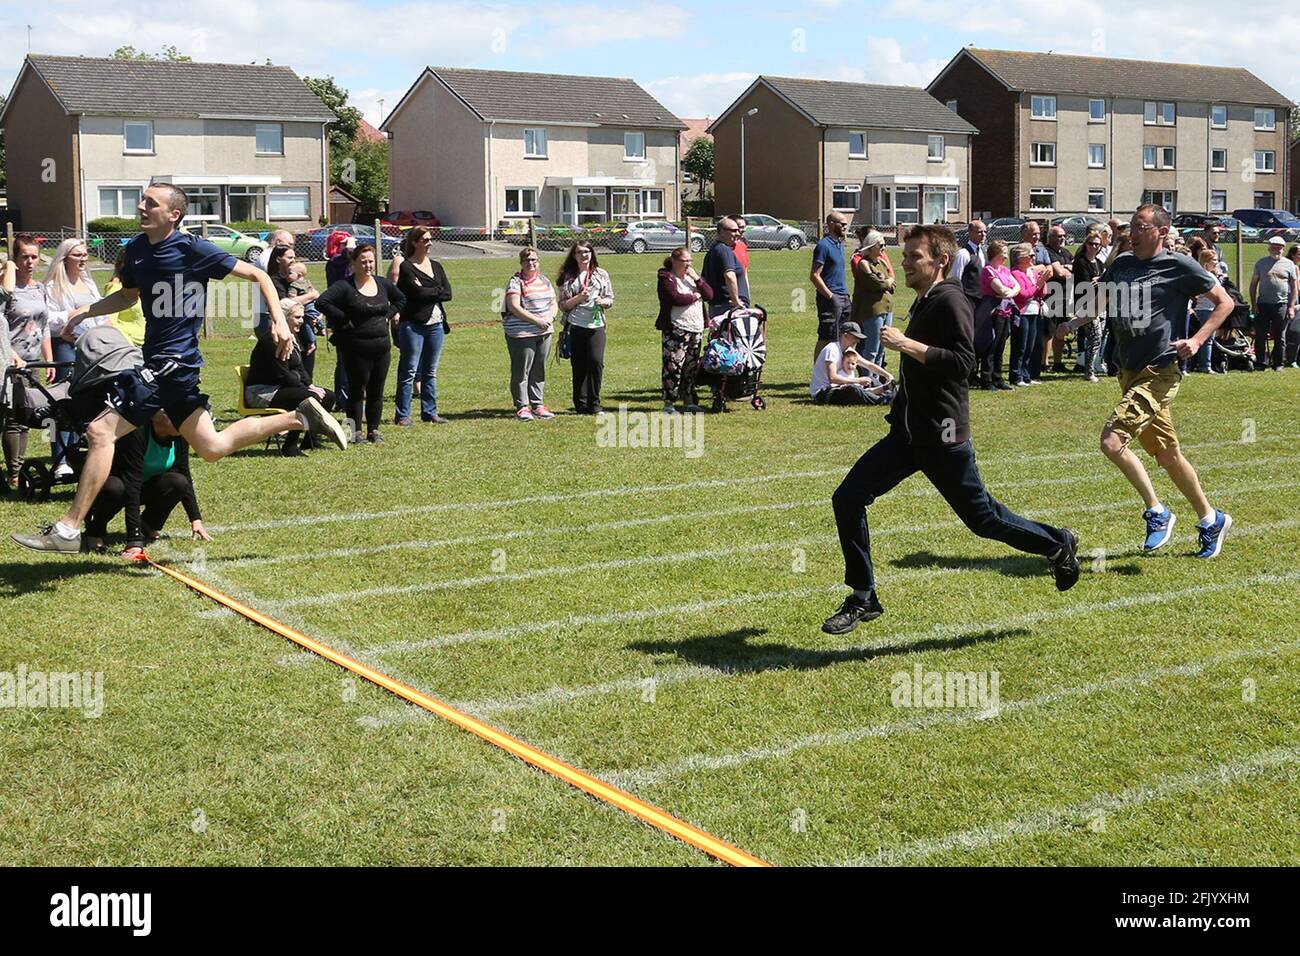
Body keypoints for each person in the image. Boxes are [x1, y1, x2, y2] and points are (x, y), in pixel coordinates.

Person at [12, 184, 347, 555]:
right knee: (213, 446)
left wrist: (279, 323)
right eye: (142, 200)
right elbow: (128, 296)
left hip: (173, 363)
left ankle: (69, 529)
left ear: (173, 215)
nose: (140, 206)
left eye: (150, 203)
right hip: (162, 362)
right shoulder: (137, 250)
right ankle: (298, 419)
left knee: (100, 430)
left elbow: (261, 276)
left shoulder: (194, 249)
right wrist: (88, 311)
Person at [822, 224, 1079, 634]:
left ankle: (1056, 543)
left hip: (943, 439)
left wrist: (907, 345)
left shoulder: (950, 299)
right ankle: (863, 596)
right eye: (904, 257)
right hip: (907, 436)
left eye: (913, 258)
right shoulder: (925, 300)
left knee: (985, 520)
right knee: (848, 498)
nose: (904, 264)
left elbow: (963, 363)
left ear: (940, 260)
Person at [1098, 203, 1234, 560]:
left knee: (1112, 442)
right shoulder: (1122, 264)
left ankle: (1157, 511)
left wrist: (1198, 340)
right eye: (1132, 226)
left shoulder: (1179, 265)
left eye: (1142, 227)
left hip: (1160, 370)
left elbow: (1224, 302)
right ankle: (1211, 518)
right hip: (1127, 370)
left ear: (1161, 231)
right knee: (1168, 455)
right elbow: (1100, 299)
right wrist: (1072, 322)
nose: (1134, 232)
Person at [82, 411, 210, 557]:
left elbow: (184, 473)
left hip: (144, 485)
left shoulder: (179, 436)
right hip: (119, 485)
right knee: (114, 488)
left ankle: (147, 524)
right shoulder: (137, 432)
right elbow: (132, 485)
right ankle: (95, 530)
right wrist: (134, 541)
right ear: (164, 419)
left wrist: (195, 519)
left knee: (178, 482)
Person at [315, 243, 404, 444]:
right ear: (354, 263)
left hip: (381, 347)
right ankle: (354, 432)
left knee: (376, 390)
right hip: (355, 348)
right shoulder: (345, 286)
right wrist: (344, 319)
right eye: (362, 261)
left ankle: (374, 430)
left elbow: (400, 300)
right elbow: (322, 302)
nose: (367, 265)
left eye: (370, 261)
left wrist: (388, 316)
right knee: (357, 390)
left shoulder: (382, 284)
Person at [246, 299, 336, 457]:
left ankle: (310, 440)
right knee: (309, 398)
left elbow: (299, 369)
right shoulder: (272, 340)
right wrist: (305, 388)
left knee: (328, 395)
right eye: (297, 317)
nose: (301, 321)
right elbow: (283, 375)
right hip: (263, 392)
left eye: (302, 317)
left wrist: (310, 385)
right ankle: (289, 447)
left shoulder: (291, 338)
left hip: (282, 388)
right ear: (284, 317)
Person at [44, 238, 103, 477]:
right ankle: (60, 459)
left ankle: (76, 453)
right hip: (65, 345)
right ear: (65, 257)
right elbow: (46, 319)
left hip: (90, 347)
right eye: (77, 255)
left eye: (85, 254)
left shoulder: (88, 283)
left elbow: (100, 311)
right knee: (62, 402)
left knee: (84, 400)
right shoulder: (52, 286)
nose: (83, 259)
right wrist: (70, 315)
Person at [2, 237, 55, 491]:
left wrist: (49, 359)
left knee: (26, 416)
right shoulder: (7, 290)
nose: (31, 262)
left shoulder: (39, 289)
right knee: (14, 418)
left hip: (33, 361)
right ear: (15, 259)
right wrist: (12, 354)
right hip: (10, 363)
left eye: (34, 257)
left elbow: (43, 328)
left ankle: (17, 469)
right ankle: (14, 474)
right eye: (25, 257)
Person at [393, 226, 452, 425]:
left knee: (430, 371)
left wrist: (425, 289)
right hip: (413, 325)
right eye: (425, 240)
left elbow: (447, 294)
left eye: (430, 239)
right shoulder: (406, 267)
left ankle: (430, 412)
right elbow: (414, 295)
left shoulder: (436, 266)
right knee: (409, 371)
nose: (429, 243)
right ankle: (403, 415)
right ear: (415, 242)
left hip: (436, 324)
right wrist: (434, 290)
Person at [557, 240, 614, 415]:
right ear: (574, 255)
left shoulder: (601, 274)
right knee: (579, 365)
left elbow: (610, 298)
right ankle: (581, 404)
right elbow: (563, 305)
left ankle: (595, 403)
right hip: (575, 325)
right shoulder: (568, 276)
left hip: (596, 325)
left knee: (596, 362)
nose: (584, 255)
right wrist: (579, 298)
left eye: (587, 252)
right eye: (580, 252)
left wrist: (603, 302)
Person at [502, 247, 557, 421]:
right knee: (522, 371)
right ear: (521, 263)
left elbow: (553, 302)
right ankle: (522, 406)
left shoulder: (544, 280)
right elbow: (514, 307)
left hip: (544, 332)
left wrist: (550, 317)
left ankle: (538, 404)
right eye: (527, 261)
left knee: (538, 369)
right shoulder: (515, 282)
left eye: (534, 260)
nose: (531, 263)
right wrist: (537, 321)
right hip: (522, 333)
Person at [656, 246, 712, 414]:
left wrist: (697, 279)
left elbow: (709, 295)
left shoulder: (692, 278)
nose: (688, 264)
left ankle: (688, 400)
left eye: (690, 261)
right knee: (673, 366)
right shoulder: (667, 278)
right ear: (674, 261)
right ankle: (669, 403)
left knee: (691, 367)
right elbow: (675, 298)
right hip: (676, 328)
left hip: (696, 327)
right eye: (684, 261)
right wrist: (694, 296)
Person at [1058, 229, 1106, 382]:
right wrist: (1099, 280)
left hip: (1097, 303)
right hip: (1084, 303)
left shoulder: (1098, 263)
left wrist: (1098, 280)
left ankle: (1090, 368)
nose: (1094, 247)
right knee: (1095, 337)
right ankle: (1088, 371)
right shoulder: (1081, 261)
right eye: (1091, 244)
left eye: (1097, 244)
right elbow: (1087, 284)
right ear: (1086, 245)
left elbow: (1101, 282)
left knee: (1096, 338)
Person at [810, 322, 891, 405]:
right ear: (845, 335)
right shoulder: (832, 350)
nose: (858, 341)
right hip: (823, 393)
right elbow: (833, 378)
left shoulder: (849, 350)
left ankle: (889, 393)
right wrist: (858, 381)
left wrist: (887, 375)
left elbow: (868, 365)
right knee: (853, 390)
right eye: (855, 337)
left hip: (839, 387)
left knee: (871, 380)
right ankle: (881, 400)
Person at [1248, 236, 1298, 371]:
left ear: (1283, 248)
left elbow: (1294, 287)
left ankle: (1278, 364)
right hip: (1263, 304)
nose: (1276, 249)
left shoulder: (1289, 264)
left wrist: (1291, 307)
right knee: (1260, 335)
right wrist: (1254, 304)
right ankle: (1260, 363)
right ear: (1269, 247)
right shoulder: (1261, 263)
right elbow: (1253, 285)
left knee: (1280, 336)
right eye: (1274, 246)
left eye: (1279, 246)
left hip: (1281, 305)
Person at [975, 239, 1019, 391]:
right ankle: (986, 380)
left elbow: (1016, 287)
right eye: (1004, 253)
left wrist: (1010, 293)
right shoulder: (988, 270)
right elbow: (1000, 290)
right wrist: (1008, 292)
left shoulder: (1004, 270)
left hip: (1006, 312)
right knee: (991, 346)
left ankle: (998, 378)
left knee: (1001, 346)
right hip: (993, 312)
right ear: (996, 253)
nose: (1006, 257)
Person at [850, 228, 894, 367]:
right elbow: (875, 284)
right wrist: (886, 281)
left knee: (882, 349)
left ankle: (878, 384)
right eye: (880, 245)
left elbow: (893, 286)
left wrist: (886, 282)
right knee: (872, 350)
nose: (884, 248)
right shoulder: (863, 263)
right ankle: (868, 383)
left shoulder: (882, 262)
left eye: (884, 244)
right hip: (874, 311)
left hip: (887, 309)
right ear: (871, 246)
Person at [1007, 243, 1048, 387]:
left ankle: (1026, 374)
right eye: (1030, 255)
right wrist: (1038, 284)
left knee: (1030, 345)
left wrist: (1042, 282)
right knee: (1020, 346)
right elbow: (1023, 295)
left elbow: (1042, 293)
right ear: (1021, 258)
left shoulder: (1032, 272)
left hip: (1034, 311)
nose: (1033, 258)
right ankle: (1016, 375)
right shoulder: (1015, 273)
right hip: (1022, 312)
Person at [811, 212, 851, 362]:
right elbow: (814, 275)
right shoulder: (823, 246)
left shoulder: (839, 244)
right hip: (830, 298)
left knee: (844, 335)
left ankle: (837, 368)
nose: (845, 227)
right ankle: (818, 372)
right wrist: (830, 296)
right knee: (826, 336)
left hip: (844, 296)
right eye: (842, 224)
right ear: (832, 224)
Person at [1039, 225, 1073, 375]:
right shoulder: (1047, 251)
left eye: (1063, 235)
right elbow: (1059, 273)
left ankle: (1057, 362)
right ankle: (1044, 363)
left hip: (1065, 296)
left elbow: (1075, 268)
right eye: (1058, 236)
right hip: (1051, 296)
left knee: (1061, 330)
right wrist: (1067, 269)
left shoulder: (1065, 252)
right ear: (1050, 237)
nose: (1062, 238)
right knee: (1048, 332)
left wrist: (1066, 267)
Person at [701, 218, 748, 318]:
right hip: (728, 307)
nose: (738, 234)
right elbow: (729, 276)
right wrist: (736, 302)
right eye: (734, 231)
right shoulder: (724, 250)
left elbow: (703, 279)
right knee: (732, 333)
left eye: (738, 230)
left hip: (717, 307)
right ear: (721, 231)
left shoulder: (713, 250)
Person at [101, 249, 147, 347]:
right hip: (129, 345)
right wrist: (126, 345)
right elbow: (108, 322)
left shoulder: (147, 287)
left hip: (149, 343)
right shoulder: (116, 288)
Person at [286, 260, 323, 379]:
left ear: (298, 275)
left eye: (290, 273)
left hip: (306, 311)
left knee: (307, 325)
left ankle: (311, 343)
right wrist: (312, 297)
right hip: (313, 309)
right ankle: (321, 328)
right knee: (313, 321)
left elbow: (290, 300)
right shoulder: (308, 283)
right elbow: (315, 295)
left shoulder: (293, 285)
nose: (287, 275)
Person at [949, 219, 988, 309]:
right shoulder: (963, 254)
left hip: (983, 300)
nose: (983, 235)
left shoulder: (984, 252)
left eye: (985, 232)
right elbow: (956, 278)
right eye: (979, 232)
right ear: (970, 233)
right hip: (968, 300)